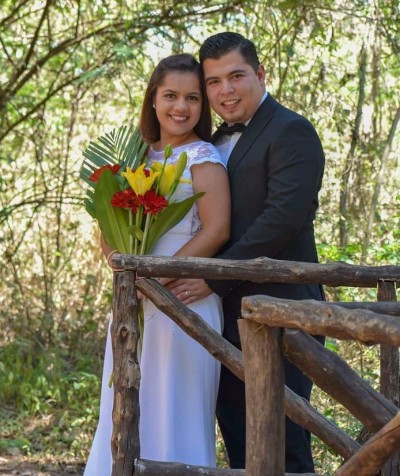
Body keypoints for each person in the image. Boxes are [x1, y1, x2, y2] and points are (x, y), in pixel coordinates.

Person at [167, 32, 325, 473]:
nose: (226, 91)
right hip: (222, 319)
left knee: (285, 444)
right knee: (242, 445)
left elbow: (281, 220)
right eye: (214, 82)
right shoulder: (209, 143)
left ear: (260, 74)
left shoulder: (291, 130)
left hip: (283, 315)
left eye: (236, 76)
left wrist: (213, 275)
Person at [84, 53, 230, 474]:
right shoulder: (134, 158)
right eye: (170, 95)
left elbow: (217, 230)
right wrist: (124, 267)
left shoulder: (203, 157)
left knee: (174, 407)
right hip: (134, 299)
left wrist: (160, 276)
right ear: (153, 98)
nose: (180, 107)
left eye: (192, 98)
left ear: (202, 105)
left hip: (183, 297)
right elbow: (109, 227)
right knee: (125, 403)